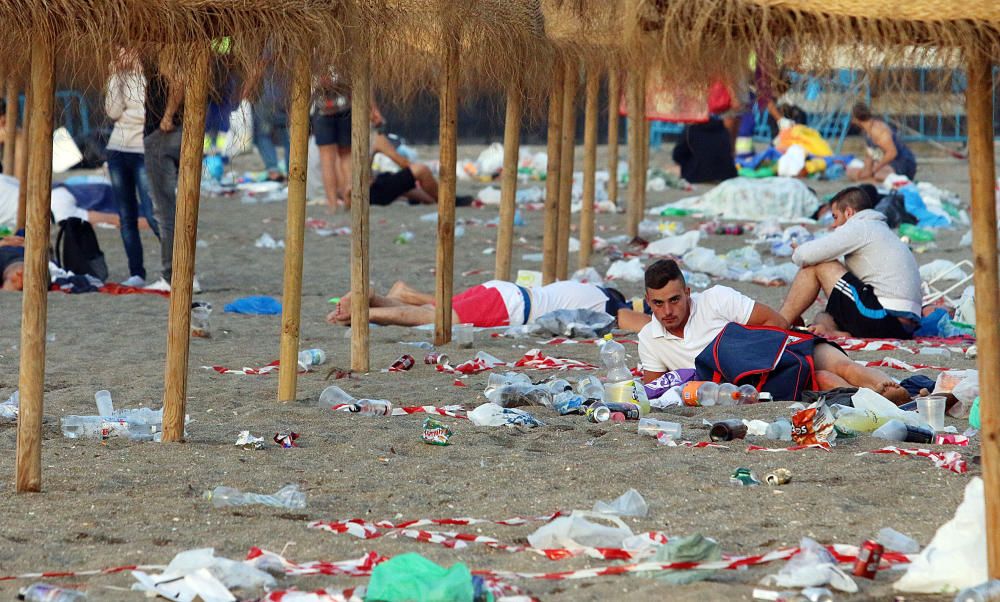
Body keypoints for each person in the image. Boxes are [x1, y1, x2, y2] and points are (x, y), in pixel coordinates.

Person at [638, 258, 910, 403]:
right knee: (823, 378)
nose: (667, 311)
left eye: (674, 300)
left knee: (843, 366)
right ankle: (880, 403)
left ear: (687, 293)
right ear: (648, 302)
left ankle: (883, 388)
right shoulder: (649, 339)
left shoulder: (715, 299)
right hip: (754, 379)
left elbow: (776, 323)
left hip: (776, 346)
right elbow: (659, 392)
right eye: (658, 304)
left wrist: (751, 350)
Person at [778, 186, 921, 339]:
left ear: (849, 212)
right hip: (902, 325)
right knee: (823, 317)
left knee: (820, 265)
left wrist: (799, 251)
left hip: (885, 317)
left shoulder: (860, 226)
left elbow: (807, 255)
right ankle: (832, 331)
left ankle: (779, 323)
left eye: (835, 217)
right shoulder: (879, 229)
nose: (833, 225)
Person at [326, 279, 652, 332]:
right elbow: (644, 324)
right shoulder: (611, 307)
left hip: (504, 290)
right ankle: (366, 311)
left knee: (438, 308)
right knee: (435, 318)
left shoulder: (592, 290)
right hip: (511, 306)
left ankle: (388, 295)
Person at [142, 50, 199, 293]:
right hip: (182, 132)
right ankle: (185, 272)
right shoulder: (185, 50)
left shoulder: (164, 47)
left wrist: (166, 116)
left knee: (165, 211)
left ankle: (173, 274)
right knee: (181, 207)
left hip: (163, 134)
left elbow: (178, 80)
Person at [105, 49, 160, 287]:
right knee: (126, 216)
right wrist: (115, 77)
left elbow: (150, 113)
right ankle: (136, 271)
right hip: (118, 148)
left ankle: (180, 268)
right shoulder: (120, 77)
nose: (121, 55)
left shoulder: (155, 75)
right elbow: (113, 111)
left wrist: (138, 70)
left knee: (153, 212)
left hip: (143, 148)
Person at [847, 102, 917, 182]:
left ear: (856, 119)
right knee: (850, 171)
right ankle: (871, 180)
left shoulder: (879, 130)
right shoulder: (867, 131)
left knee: (878, 174)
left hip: (903, 164)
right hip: (886, 165)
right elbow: (870, 154)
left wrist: (874, 169)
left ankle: (874, 181)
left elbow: (892, 153)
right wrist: (866, 170)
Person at [671, 118, 738, 184]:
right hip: (725, 176)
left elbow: (677, 155)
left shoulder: (690, 130)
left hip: (696, 176)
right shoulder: (723, 129)